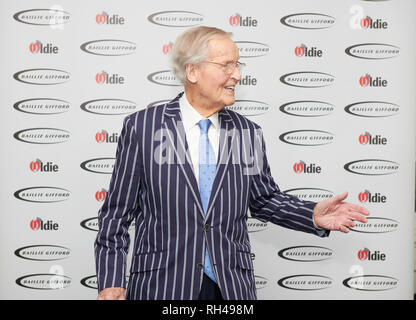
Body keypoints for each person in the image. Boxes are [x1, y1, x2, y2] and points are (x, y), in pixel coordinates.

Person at [94, 26, 369, 300]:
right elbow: (116, 215)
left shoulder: (248, 132)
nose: (237, 75)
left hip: (230, 287)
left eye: (238, 65)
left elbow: (264, 200)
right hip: (163, 285)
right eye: (226, 65)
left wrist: (311, 215)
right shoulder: (143, 127)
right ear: (193, 71)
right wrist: (111, 281)